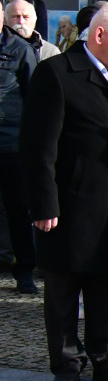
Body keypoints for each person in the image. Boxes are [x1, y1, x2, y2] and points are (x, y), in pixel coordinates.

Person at [21, 5, 108, 381]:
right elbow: (38, 147)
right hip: (68, 204)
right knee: (63, 288)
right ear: (100, 35)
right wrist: (43, 203)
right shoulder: (56, 73)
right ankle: (66, 362)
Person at [0, 19, 37, 294]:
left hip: (11, 142)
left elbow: (35, 94)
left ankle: (25, 269)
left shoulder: (19, 49)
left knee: (19, 209)